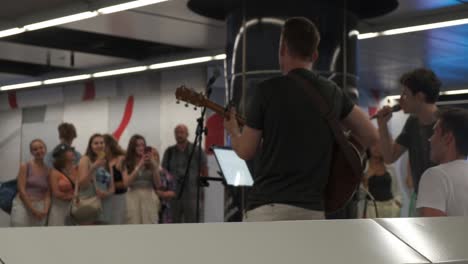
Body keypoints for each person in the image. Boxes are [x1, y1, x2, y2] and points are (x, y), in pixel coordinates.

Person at [224, 17, 378, 222]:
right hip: (312, 209)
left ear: (282, 49)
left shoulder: (266, 91)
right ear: (315, 54)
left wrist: (234, 131)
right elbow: (370, 134)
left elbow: (246, 151)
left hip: (269, 207)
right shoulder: (332, 92)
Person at [375, 68, 441, 216]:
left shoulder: (446, 123)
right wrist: (383, 126)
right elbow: (389, 157)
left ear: (419, 97)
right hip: (421, 198)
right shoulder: (412, 123)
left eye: (405, 94)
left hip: (444, 200)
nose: (400, 98)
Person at [417, 108, 468, 217]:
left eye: (435, 132)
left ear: (447, 138)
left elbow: (433, 229)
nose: (430, 139)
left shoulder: (435, 176)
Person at [161, 124, 208, 223]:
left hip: (192, 194)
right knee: (174, 224)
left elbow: (204, 169)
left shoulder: (197, 150)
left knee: (193, 224)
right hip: (174, 195)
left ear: (187, 134)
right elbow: (164, 172)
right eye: (177, 132)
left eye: (181, 132)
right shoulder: (169, 152)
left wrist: (202, 188)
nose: (179, 135)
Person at [10, 139, 50, 227]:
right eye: (35, 149)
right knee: (19, 235)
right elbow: (21, 190)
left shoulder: (48, 170)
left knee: (36, 237)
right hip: (23, 206)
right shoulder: (25, 166)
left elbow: (47, 193)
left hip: (40, 207)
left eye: (41, 148)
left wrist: (46, 210)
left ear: (45, 149)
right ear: (31, 152)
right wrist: (33, 210)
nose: (39, 151)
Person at [78, 134, 114, 224]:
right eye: (96, 143)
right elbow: (81, 184)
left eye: (102, 143)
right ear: (91, 146)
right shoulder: (85, 159)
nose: (99, 145)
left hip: (106, 203)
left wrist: (106, 193)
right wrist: (94, 167)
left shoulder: (107, 162)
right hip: (89, 202)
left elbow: (112, 187)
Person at [124, 135, 161, 224]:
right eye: (137, 145)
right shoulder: (127, 162)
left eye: (143, 145)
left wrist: (154, 166)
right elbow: (126, 183)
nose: (141, 148)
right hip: (133, 197)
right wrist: (139, 165)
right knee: (133, 224)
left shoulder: (151, 161)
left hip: (149, 196)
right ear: (132, 147)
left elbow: (158, 185)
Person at [363, 144, 401, 218]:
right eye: (373, 145)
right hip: (371, 209)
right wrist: (365, 178)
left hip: (391, 208)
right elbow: (360, 195)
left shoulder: (390, 167)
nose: (376, 148)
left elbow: (396, 189)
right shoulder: (363, 167)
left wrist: (397, 204)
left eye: (380, 145)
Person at [48, 143, 77, 226]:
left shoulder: (76, 169)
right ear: (62, 156)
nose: (72, 152)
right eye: (69, 151)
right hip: (59, 208)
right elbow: (56, 193)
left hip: (74, 209)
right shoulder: (54, 172)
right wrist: (74, 197)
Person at [103, 134, 127, 225]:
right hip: (104, 198)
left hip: (119, 198)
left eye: (103, 144)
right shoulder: (100, 161)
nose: (101, 147)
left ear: (110, 145)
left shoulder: (121, 159)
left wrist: (111, 185)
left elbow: (126, 183)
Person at [154, 148, 176, 223]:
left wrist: (163, 194)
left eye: (155, 155)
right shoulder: (143, 174)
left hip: (164, 210)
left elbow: (173, 192)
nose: (152, 158)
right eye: (150, 155)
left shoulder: (165, 173)